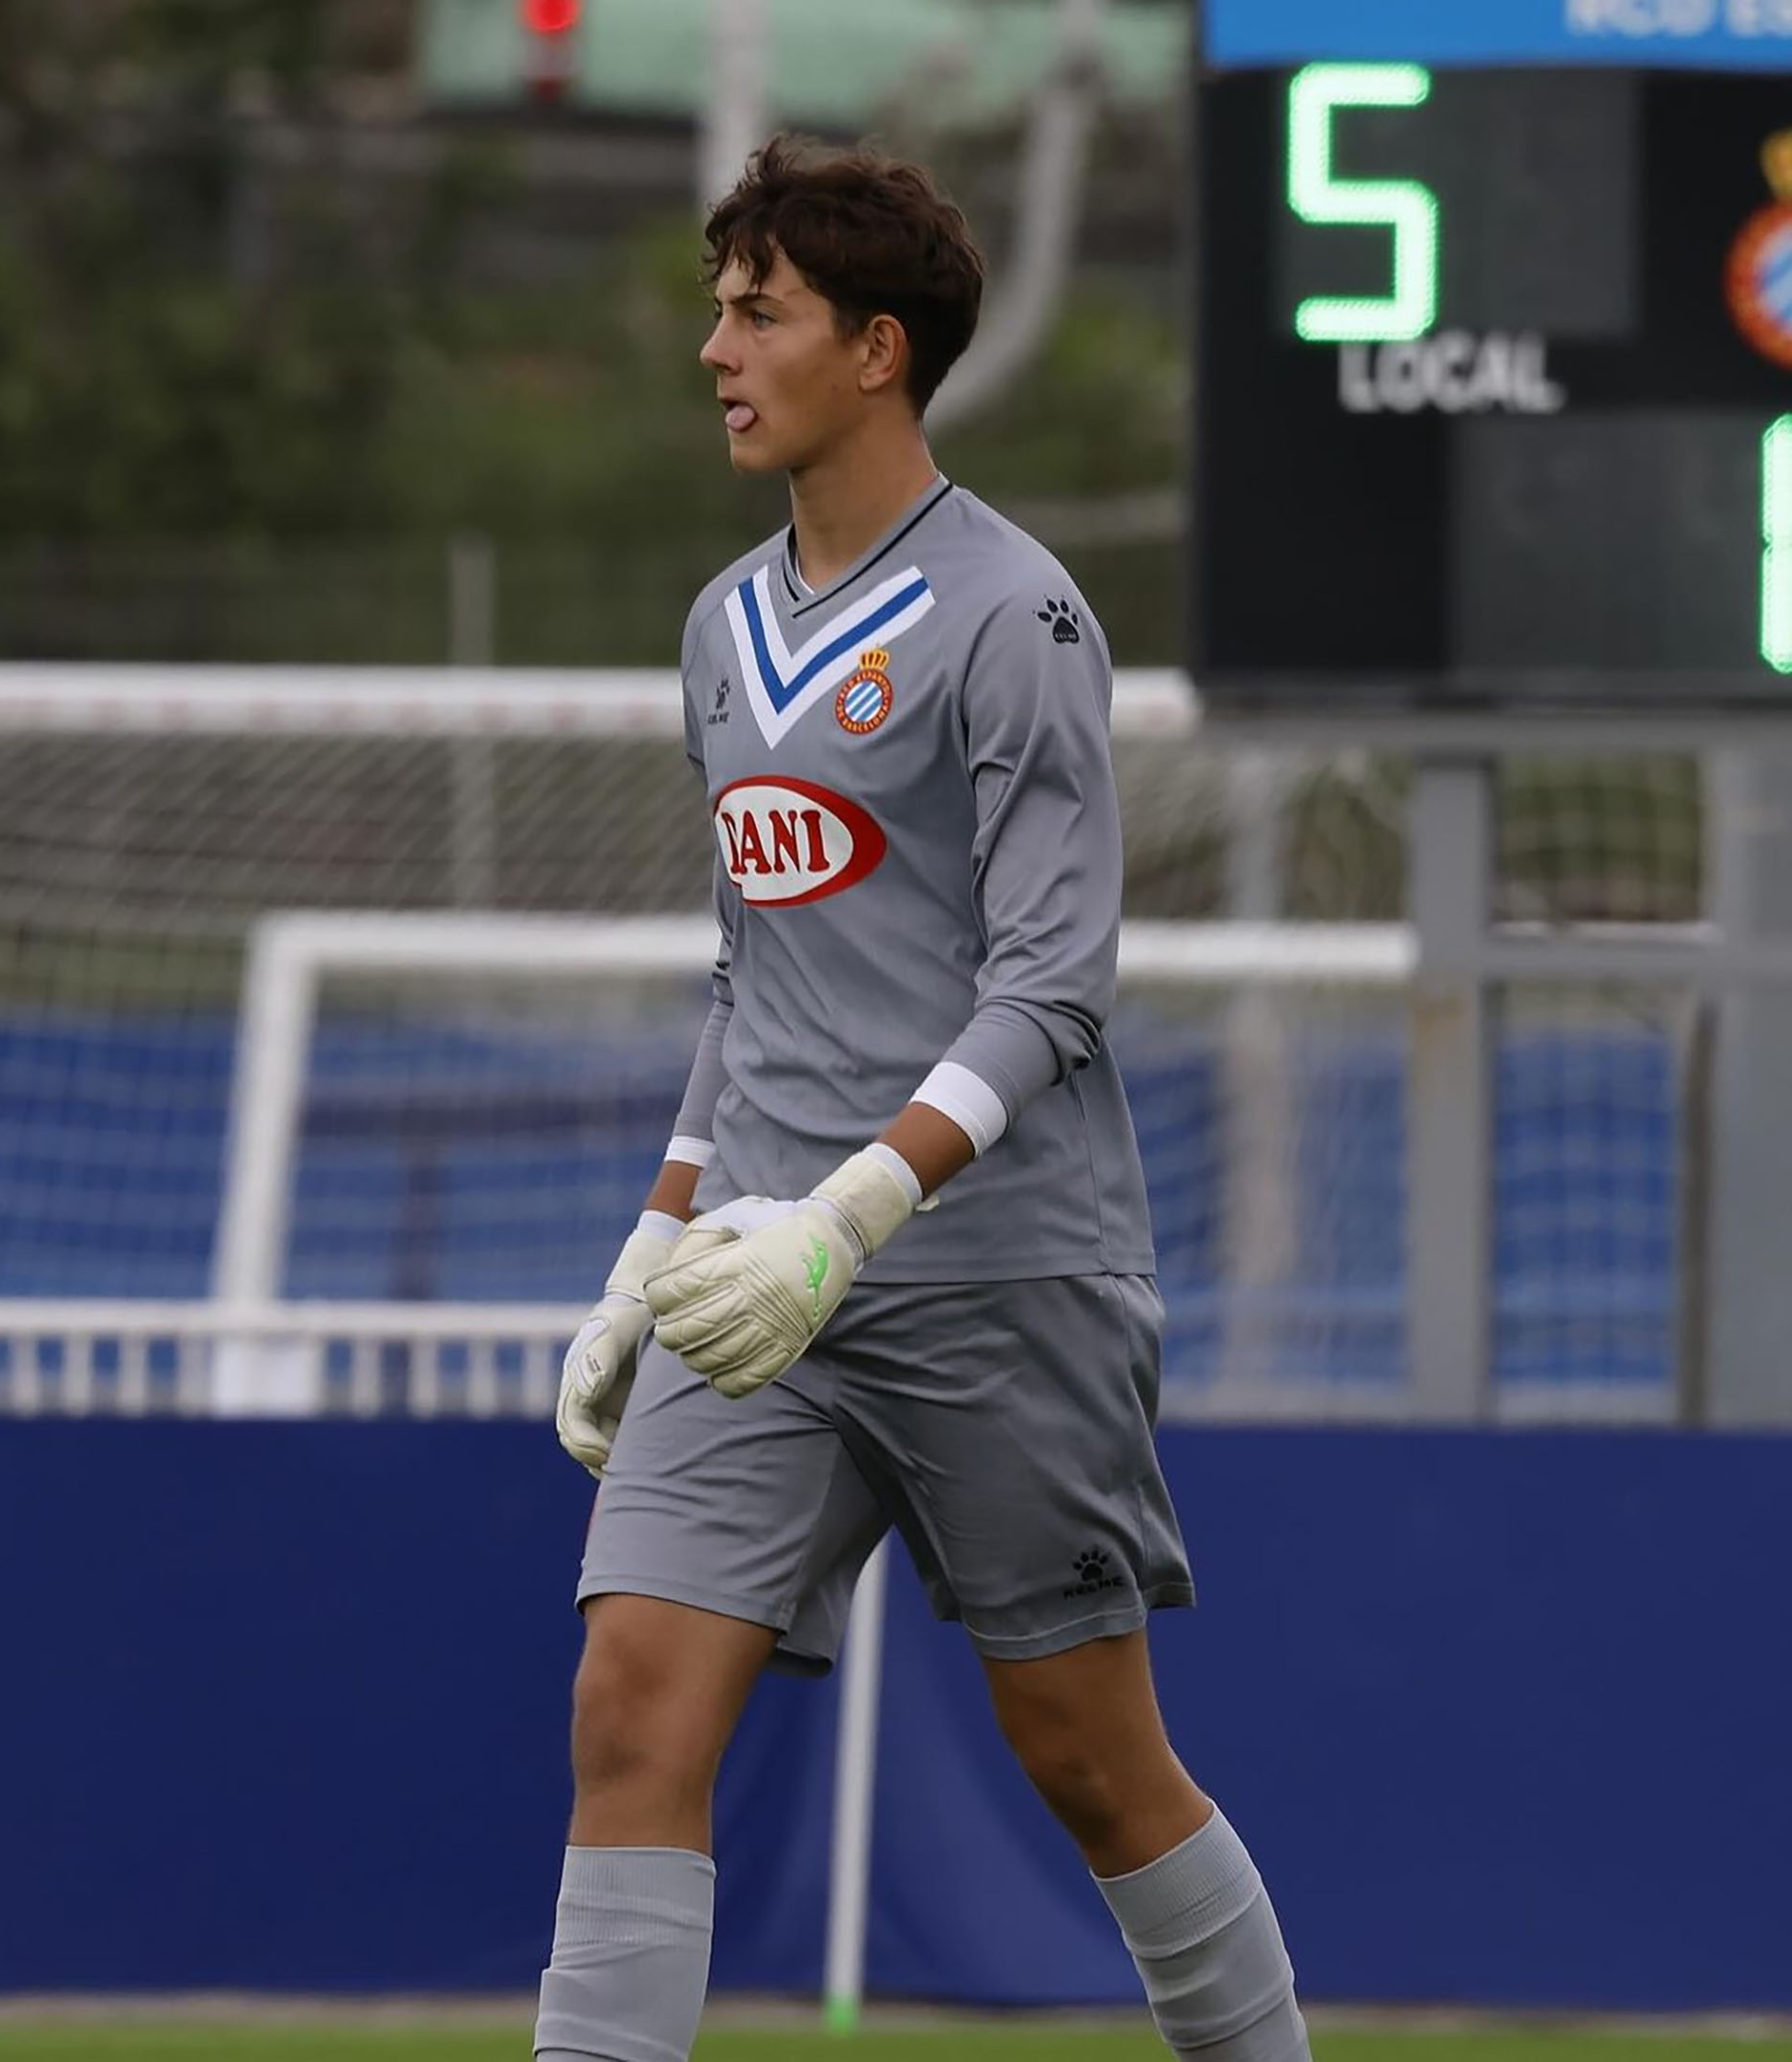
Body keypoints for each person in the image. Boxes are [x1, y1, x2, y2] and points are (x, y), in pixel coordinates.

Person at [538, 136, 1314, 2062]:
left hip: (996, 1281)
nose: (717, 346)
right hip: (758, 1292)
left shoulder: (1015, 617)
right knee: (631, 1700)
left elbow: (1053, 980)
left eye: (759, 310)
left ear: (876, 350)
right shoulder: (721, 630)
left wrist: (850, 1220)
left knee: (1088, 1759)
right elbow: (754, 972)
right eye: (722, 308)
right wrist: (661, 1239)